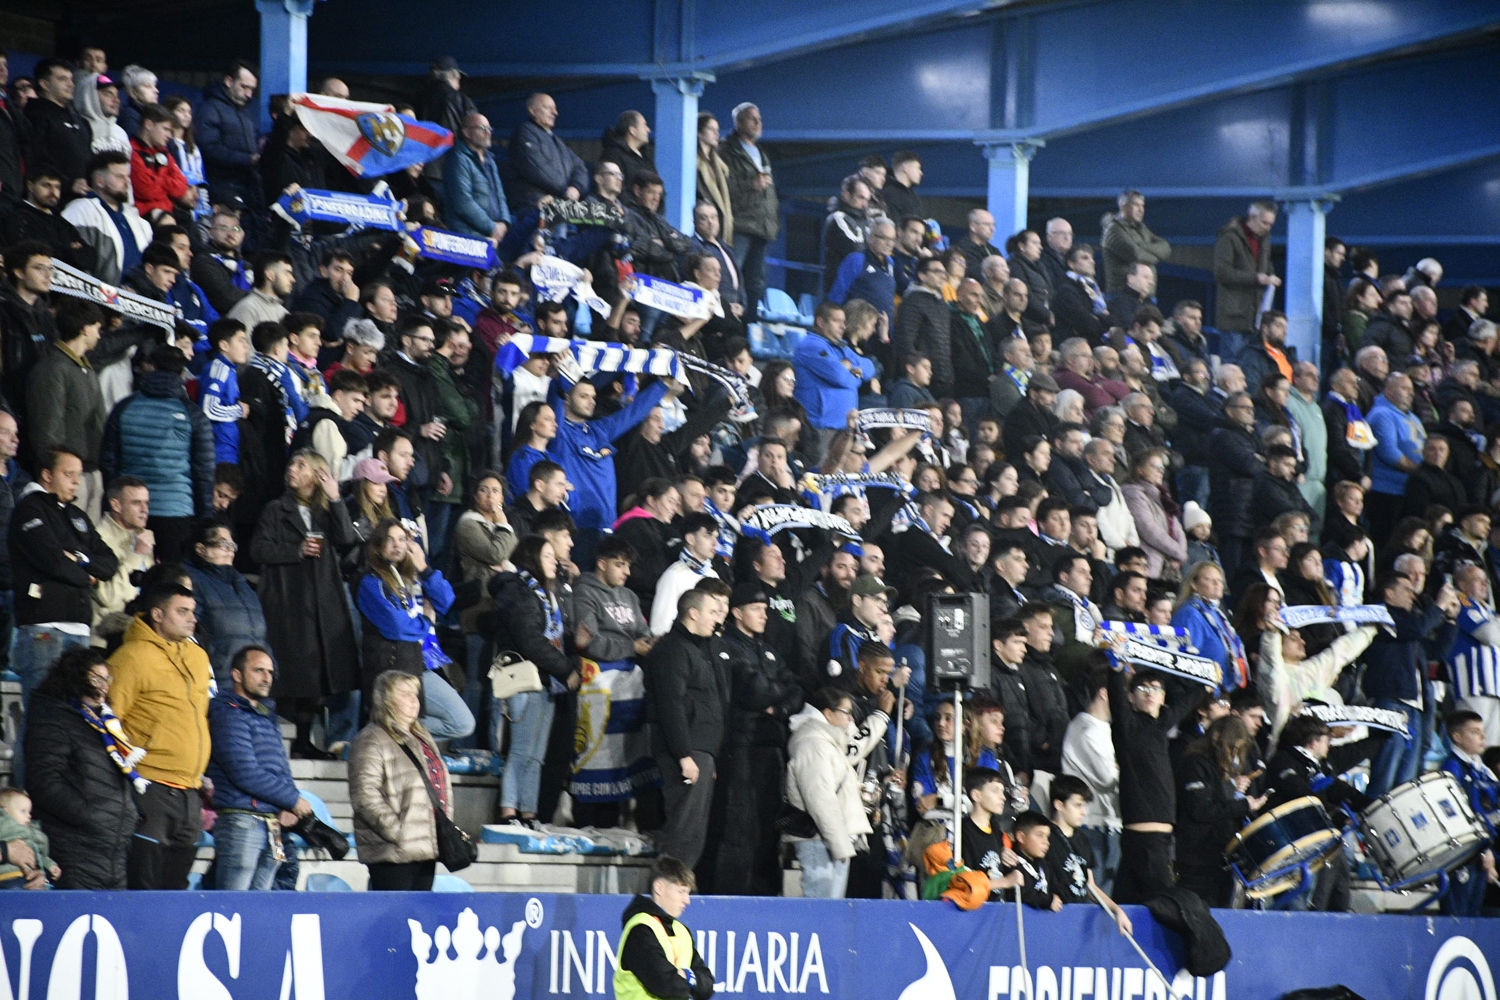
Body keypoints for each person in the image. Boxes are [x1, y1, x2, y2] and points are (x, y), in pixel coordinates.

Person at [9, 446, 119, 783]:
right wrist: (84, 571)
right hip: (44, 629)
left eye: (79, 476)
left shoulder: (77, 517)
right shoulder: (29, 509)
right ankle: (24, 798)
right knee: (42, 718)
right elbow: (51, 561)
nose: (76, 483)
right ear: (47, 475)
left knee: (72, 719)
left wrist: (80, 561)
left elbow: (109, 562)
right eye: (68, 475)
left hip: (78, 631)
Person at [250, 449, 360, 759]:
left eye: (300, 465)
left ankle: (303, 740)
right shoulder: (275, 510)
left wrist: (336, 499)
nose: (292, 470)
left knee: (318, 678)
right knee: (291, 675)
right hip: (288, 600)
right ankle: (277, 742)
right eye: (291, 464)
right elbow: (258, 550)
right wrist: (296, 549)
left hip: (323, 603)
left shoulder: (326, 511)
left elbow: (346, 538)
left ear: (316, 473)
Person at [108, 582, 212, 889]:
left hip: (190, 792)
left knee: (175, 889)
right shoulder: (130, 657)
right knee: (144, 887)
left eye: (193, 612)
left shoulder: (198, 656)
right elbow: (108, 720)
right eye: (182, 612)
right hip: (149, 789)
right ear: (157, 614)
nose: (191, 618)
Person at [19, 647, 138, 888]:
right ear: (74, 678)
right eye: (96, 679)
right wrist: (89, 815)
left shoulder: (102, 724)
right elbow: (44, 781)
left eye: (107, 679)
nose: (104, 686)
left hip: (111, 851)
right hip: (76, 849)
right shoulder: (54, 719)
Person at [487, 535, 580, 826]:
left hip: (545, 680)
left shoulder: (542, 592)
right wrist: (566, 669)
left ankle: (529, 813)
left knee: (537, 755)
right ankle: (509, 812)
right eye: (548, 556)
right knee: (522, 750)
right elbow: (531, 641)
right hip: (525, 680)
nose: (555, 562)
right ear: (531, 559)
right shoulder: (518, 591)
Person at [205, 645, 314, 890]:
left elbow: (281, 769)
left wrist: (289, 805)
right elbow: (244, 772)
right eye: (258, 670)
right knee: (233, 907)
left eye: (270, 672)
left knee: (260, 906)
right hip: (242, 821)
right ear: (237, 674)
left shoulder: (266, 715)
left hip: (272, 823)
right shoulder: (228, 714)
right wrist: (292, 799)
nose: (267, 678)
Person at [357, 519, 472, 741]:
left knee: (462, 723)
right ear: (378, 545)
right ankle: (374, 738)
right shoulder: (370, 581)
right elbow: (395, 626)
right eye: (390, 540)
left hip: (420, 664)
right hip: (392, 668)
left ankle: (394, 732)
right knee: (395, 724)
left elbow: (446, 601)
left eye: (402, 539)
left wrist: (424, 567)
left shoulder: (414, 576)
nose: (397, 545)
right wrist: (426, 622)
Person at [99, 345, 216, 562]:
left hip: (129, 509)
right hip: (176, 509)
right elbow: (204, 470)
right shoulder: (193, 414)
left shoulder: (124, 407)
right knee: (170, 578)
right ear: (182, 372)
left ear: (150, 367)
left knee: (129, 572)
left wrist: (114, 499)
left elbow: (108, 460)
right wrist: (205, 513)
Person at [644, 588, 729, 868]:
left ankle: (678, 894)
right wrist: (684, 755)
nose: (716, 619)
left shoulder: (697, 649)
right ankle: (664, 899)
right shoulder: (673, 650)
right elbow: (671, 705)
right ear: (693, 613)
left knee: (693, 834)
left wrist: (708, 755)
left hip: (699, 752)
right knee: (683, 833)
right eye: (711, 612)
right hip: (686, 752)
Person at [546, 373, 670, 566]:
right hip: (577, 527)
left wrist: (662, 385)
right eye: (583, 396)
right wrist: (560, 377)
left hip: (608, 525)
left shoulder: (600, 429)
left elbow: (634, 413)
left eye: (593, 397)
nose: (591, 402)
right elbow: (554, 401)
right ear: (568, 398)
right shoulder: (560, 433)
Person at [348, 670, 452, 891]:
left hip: (425, 848)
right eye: (405, 693)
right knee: (393, 922)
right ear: (386, 699)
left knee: (417, 922)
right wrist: (399, 833)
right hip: (392, 853)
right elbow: (364, 797)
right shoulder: (371, 739)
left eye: (414, 694)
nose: (414, 700)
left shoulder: (422, 737)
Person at [1108, 662, 1202, 904]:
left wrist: (1212, 677)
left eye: (1156, 688)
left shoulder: (1161, 725)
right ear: (1131, 696)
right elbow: (1116, 697)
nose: (1150, 693)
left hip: (1157, 840)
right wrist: (1116, 668)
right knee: (1165, 904)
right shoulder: (1127, 725)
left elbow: (1191, 699)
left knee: (1127, 903)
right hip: (1145, 840)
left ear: (1163, 698)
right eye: (1142, 688)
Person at [1364, 570, 1458, 797]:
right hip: (1391, 700)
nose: (1413, 595)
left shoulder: (1408, 624)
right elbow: (1415, 629)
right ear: (1388, 592)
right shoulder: (1380, 614)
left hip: (1415, 704)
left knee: (1407, 780)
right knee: (1386, 771)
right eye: (1406, 589)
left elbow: (1435, 651)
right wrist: (1438, 606)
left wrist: (1450, 620)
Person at [26, 298, 107, 519]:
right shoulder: (52, 368)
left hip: (90, 472)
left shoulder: (86, 370)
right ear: (84, 328)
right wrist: (59, 473)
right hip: (66, 476)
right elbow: (46, 429)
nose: (99, 335)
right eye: (97, 328)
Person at [1173, 715, 1264, 907]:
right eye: (1231, 747)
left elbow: (1221, 803)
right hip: (1198, 858)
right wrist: (1243, 805)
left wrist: (1238, 793)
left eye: (1238, 750)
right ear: (1216, 737)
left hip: (1221, 856)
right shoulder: (1195, 764)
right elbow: (1201, 810)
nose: (1234, 754)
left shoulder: (1223, 769)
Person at [613, 855, 715, 1000]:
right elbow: (665, 985)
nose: (687, 901)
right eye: (681, 892)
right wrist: (691, 980)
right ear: (659, 888)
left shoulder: (681, 931)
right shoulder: (640, 930)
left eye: (687, 893)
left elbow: (708, 986)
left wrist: (686, 975)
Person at [1046, 774, 1134, 933]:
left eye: (1084, 806)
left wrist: (1117, 910)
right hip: (1052, 917)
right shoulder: (1044, 835)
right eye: (1077, 805)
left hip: (1078, 916)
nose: (1084, 812)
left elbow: (1090, 886)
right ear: (1059, 805)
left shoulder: (1082, 840)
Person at [1061, 670, 1121, 894]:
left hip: (1110, 823)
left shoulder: (1106, 729)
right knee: (1093, 896)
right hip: (1092, 825)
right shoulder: (1085, 730)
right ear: (1105, 693)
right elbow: (1107, 777)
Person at [1439, 711, 1500, 917]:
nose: (1482, 737)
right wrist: (1484, 849)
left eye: (1483, 732)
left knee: (1472, 917)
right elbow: (1460, 813)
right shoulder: (1452, 767)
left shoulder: (1482, 770)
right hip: (1461, 854)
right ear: (1457, 737)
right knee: (1457, 917)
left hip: (1480, 851)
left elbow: (1490, 811)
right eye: (1475, 732)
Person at [721, 103, 778, 322]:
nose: (758, 123)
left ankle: (750, 330)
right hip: (741, 225)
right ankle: (728, 326)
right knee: (733, 278)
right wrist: (750, 184)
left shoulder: (762, 154)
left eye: (759, 118)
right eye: (752, 118)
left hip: (763, 227)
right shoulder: (727, 150)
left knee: (756, 283)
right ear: (738, 122)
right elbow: (724, 189)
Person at [60, 150, 151, 284]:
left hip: (135, 301)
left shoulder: (137, 220)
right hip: (97, 300)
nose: (127, 183)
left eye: (127, 177)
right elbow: (77, 264)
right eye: (119, 177)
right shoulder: (80, 212)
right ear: (100, 181)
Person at [1213, 200, 1279, 338]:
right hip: (1234, 316)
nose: (1267, 228)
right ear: (1252, 217)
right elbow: (1222, 273)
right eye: (1264, 223)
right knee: (1234, 357)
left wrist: (1271, 276)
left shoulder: (1264, 241)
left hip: (1256, 317)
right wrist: (1256, 278)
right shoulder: (1229, 238)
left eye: (1270, 224)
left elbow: (1266, 265)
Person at [444, 112, 510, 242]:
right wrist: (492, 227)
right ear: (466, 133)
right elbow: (463, 202)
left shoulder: (490, 161)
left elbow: (500, 195)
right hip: (469, 237)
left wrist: (504, 222)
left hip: (493, 236)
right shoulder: (458, 159)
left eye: (489, 128)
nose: (488, 132)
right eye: (482, 128)